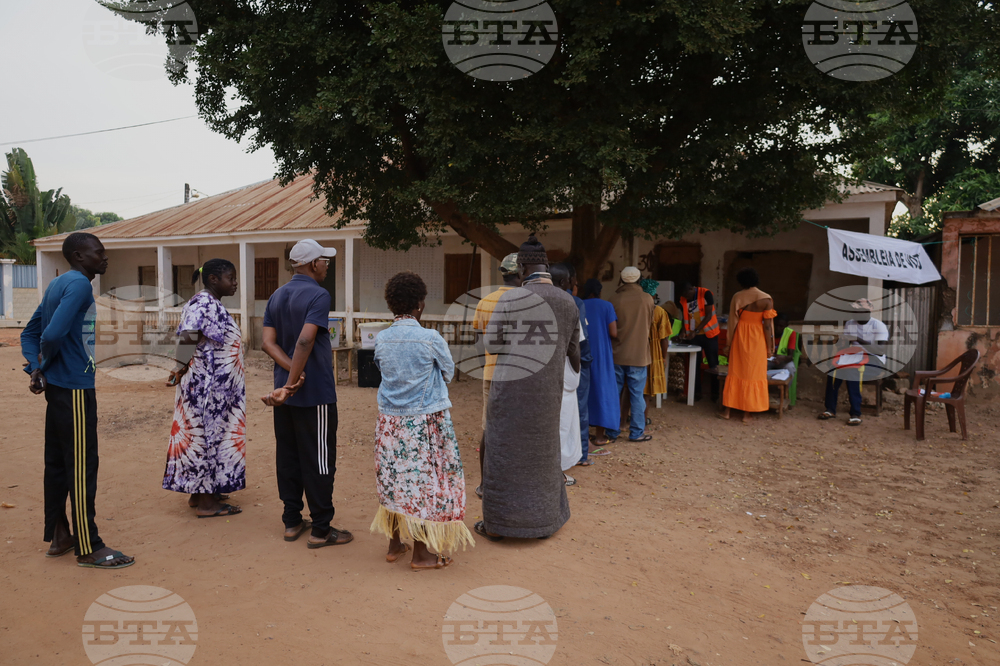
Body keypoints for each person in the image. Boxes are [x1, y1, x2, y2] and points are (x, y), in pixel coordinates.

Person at [21, 232, 135, 569]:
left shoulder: (58, 284)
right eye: (98, 252)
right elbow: (51, 333)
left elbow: (30, 332)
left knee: (56, 463)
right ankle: (89, 546)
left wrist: (36, 367)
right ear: (78, 255)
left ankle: (61, 535)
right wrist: (43, 363)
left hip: (57, 387)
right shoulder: (81, 285)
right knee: (83, 466)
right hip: (74, 388)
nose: (105, 257)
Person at [476, 235, 580, 541]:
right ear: (546, 265)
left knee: (504, 453)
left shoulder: (511, 298)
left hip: (510, 393)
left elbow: (492, 344)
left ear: (522, 267)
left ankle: (498, 525)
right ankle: (544, 523)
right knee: (544, 455)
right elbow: (573, 353)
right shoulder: (567, 301)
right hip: (548, 394)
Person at [370, 272, 474, 570]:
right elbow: (448, 372)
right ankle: (422, 554)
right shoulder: (430, 338)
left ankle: (394, 545)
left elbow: (382, 371)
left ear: (392, 305)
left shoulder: (382, 339)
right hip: (424, 422)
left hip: (389, 423)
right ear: (419, 304)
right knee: (424, 482)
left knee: (393, 479)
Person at [261, 239, 353, 548]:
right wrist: (296, 379)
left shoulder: (276, 296)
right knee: (320, 459)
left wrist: (287, 383)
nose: (327, 264)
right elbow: (305, 341)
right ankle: (321, 529)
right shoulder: (318, 294)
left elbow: (268, 343)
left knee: (288, 455)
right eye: (324, 260)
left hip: (284, 394)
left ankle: (291, 522)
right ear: (312, 264)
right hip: (314, 393)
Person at [162, 259, 246, 518]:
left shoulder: (211, 304)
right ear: (213, 279)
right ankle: (208, 505)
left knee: (204, 437)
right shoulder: (204, 303)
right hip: (208, 388)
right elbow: (188, 336)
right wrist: (178, 369)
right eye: (230, 278)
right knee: (209, 438)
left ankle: (200, 494)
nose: (234, 283)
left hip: (215, 388)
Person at [470, 253, 520, 498]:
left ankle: (484, 483)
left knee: (488, 428)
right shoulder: (528, 302)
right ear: (521, 273)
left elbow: (480, 343)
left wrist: (488, 363)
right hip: (521, 376)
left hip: (492, 373)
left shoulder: (486, 301)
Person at [818, 298, 889, 426]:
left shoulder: (878, 326)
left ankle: (855, 413)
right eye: (854, 311)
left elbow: (880, 350)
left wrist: (858, 339)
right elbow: (844, 346)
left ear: (868, 312)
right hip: (854, 356)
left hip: (875, 360)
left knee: (852, 371)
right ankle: (830, 409)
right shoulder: (850, 323)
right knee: (833, 370)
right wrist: (842, 343)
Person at [721, 268, 776, 423]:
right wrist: (770, 346)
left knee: (736, 372)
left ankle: (727, 411)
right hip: (758, 339)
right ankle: (746, 414)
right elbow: (767, 326)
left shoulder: (737, 297)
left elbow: (732, 322)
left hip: (740, 337)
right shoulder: (766, 299)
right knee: (753, 374)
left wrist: (729, 344)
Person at [608, 267, 654, 442]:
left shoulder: (614, 299)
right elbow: (649, 324)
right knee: (637, 395)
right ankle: (636, 432)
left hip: (617, 354)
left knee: (615, 394)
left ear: (621, 279)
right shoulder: (647, 299)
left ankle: (612, 432)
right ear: (639, 279)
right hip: (639, 355)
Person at [555, 262, 593, 467]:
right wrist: (580, 365)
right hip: (572, 365)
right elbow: (581, 340)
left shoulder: (536, 300)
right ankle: (581, 455)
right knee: (578, 409)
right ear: (566, 281)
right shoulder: (575, 302)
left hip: (547, 367)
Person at [550, 263, 585, 484]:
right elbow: (575, 346)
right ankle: (556, 473)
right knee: (562, 424)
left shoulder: (535, 301)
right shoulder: (568, 303)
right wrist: (576, 371)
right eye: (571, 280)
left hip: (541, 374)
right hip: (563, 374)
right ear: (563, 282)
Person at [581, 278, 618, 449]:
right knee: (602, 392)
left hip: (582, 353)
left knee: (583, 392)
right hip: (602, 354)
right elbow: (614, 332)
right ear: (599, 291)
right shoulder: (607, 306)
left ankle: (583, 435)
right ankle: (600, 436)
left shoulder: (578, 304)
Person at [677, 281, 720, 401]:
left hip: (709, 334)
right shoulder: (683, 299)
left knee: (713, 364)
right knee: (693, 364)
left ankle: (715, 394)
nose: (687, 298)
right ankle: (696, 393)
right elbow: (685, 316)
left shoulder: (705, 294)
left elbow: (708, 316)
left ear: (692, 289)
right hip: (694, 336)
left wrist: (695, 331)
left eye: (688, 295)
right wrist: (683, 331)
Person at [640, 279, 671, 419]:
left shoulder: (637, 310)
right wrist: (663, 357)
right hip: (652, 354)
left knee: (631, 389)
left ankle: (625, 419)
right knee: (646, 392)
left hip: (636, 351)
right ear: (653, 295)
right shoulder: (659, 312)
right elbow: (664, 338)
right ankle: (643, 421)